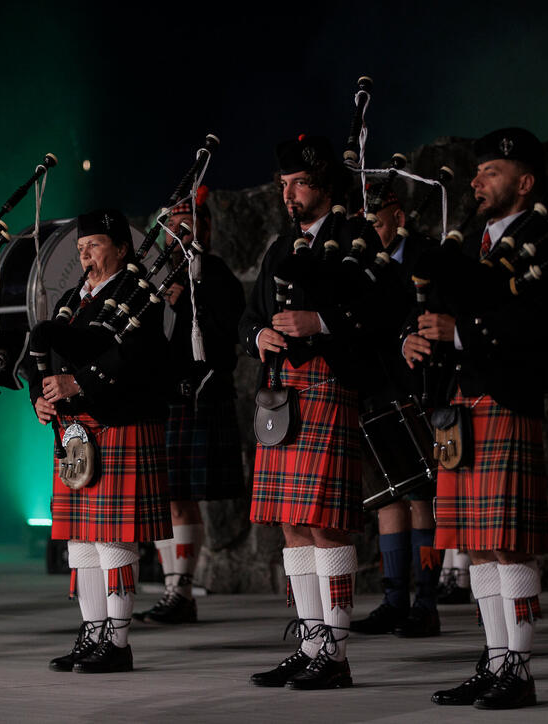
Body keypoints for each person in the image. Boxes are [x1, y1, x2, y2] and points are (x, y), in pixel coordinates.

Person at [405, 128, 548, 710]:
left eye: (491, 172)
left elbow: (541, 322)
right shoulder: (473, 242)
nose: (476, 181)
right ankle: (496, 662)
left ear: (524, 182)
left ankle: (517, 670)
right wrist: (415, 339)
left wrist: (461, 333)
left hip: (504, 398)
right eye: (476, 173)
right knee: (476, 543)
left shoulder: (540, 238)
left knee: (508, 545)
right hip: (463, 403)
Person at [240, 134, 377, 690]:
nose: (288, 193)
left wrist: (319, 324)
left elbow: (379, 312)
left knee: (325, 524)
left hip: (326, 384)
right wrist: (260, 336)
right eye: (282, 185)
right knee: (293, 523)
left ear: (323, 186)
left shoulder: (353, 237)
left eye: (298, 183)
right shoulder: (279, 246)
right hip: (281, 393)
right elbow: (248, 318)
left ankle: (336, 656)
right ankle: (311, 641)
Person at [31, 208, 172, 673]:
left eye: (93, 246)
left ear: (121, 248)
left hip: (120, 421)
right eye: (80, 249)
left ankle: (118, 640)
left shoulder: (141, 295)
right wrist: (41, 397)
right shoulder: (73, 298)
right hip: (76, 430)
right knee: (81, 542)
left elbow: (135, 358)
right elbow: (48, 354)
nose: (85, 255)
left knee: (113, 540)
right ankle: (93, 633)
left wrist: (79, 384)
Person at [134, 188, 246, 624]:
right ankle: (173, 590)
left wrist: (188, 303)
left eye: (187, 225)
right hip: (163, 398)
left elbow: (229, 336)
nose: (178, 233)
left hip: (199, 395)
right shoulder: (151, 276)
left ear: (205, 229)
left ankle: (180, 591)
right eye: (171, 227)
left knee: (180, 498)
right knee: (167, 497)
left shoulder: (216, 275)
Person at [350, 184, 444, 638]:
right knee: (386, 498)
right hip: (373, 388)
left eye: (379, 222)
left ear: (399, 217)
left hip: (414, 388)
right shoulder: (360, 261)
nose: (371, 231)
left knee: (421, 498)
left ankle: (426, 601)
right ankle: (393, 600)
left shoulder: (426, 253)